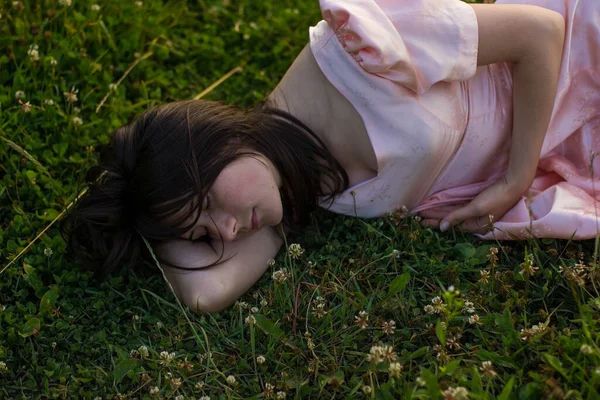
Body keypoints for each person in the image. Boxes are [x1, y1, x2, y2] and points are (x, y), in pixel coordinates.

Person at [62, 0, 600, 313]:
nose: (226, 233)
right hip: (576, 146)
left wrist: (515, 178)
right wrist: (157, 219)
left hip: (579, 67)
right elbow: (205, 293)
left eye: (206, 202)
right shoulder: (295, 192)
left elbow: (541, 34)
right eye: (204, 235)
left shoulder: (362, 49)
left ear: (215, 141)